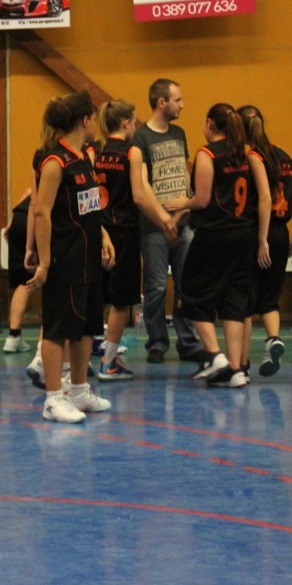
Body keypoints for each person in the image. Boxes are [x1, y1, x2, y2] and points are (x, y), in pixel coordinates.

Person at [27, 91, 114, 423]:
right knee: (57, 328)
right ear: (85, 121)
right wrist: (44, 262)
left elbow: (89, 206)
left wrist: (103, 235)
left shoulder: (83, 158)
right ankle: (52, 399)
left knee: (86, 327)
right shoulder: (55, 162)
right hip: (64, 257)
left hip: (88, 258)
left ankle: (78, 390)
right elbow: (41, 212)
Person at [167, 103, 256, 388]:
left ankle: (215, 355)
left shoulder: (207, 154)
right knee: (233, 302)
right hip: (243, 234)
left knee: (190, 296)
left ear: (209, 123)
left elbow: (203, 200)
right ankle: (236, 369)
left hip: (215, 234)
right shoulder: (243, 154)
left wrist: (183, 202)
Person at [93, 99, 179, 382]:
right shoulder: (132, 152)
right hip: (124, 231)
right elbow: (140, 196)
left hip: (98, 231)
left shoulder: (95, 152)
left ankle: (80, 362)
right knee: (121, 301)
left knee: (95, 297)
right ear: (126, 123)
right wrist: (163, 220)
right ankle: (108, 362)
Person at [131, 78, 204, 364]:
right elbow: (143, 183)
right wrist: (162, 216)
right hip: (154, 228)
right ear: (162, 103)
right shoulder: (141, 137)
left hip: (183, 223)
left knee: (186, 284)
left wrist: (184, 207)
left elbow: (184, 174)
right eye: (178, 100)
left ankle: (188, 341)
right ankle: (157, 342)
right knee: (157, 287)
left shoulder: (179, 133)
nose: (182, 105)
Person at [239, 105, 292, 379]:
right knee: (269, 298)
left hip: (261, 232)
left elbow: (265, 198)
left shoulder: (253, 156)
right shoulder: (284, 156)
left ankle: (241, 364)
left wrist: (262, 239)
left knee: (245, 300)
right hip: (282, 233)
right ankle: (273, 340)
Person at [3, 189, 34, 353]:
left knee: (24, 281)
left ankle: (13, 337)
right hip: (35, 217)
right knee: (54, 281)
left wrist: (12, 221)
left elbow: (29, 191)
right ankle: (46, 345)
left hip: (19, 217)